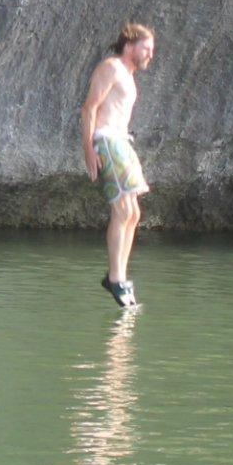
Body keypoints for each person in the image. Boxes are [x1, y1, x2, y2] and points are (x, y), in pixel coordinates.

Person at [81, 22, 155, 308]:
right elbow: (89, 108)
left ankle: (120, 276)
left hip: (122, 143)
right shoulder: (111, 67)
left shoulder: (128, 74)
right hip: (107, 141)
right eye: (146, 48)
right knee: (122, 209)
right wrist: (88, 149)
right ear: (129, 45)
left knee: (134, 213)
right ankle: (115, 278)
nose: (150, 54)